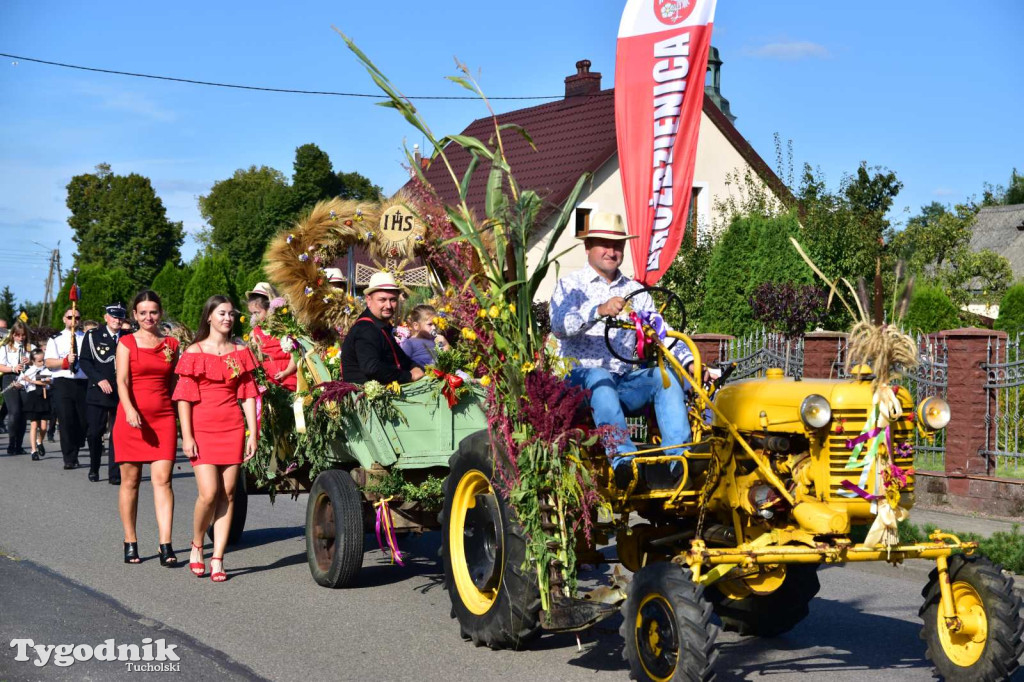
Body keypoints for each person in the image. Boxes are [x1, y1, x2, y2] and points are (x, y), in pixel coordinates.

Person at [550, 213, 697, 487]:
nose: (611, 251)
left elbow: (661, 331)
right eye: (604, 244)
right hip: (578, 384)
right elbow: (559, 325)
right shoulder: (570, 286)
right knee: (598, 376)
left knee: (662, 378)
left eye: (617, 245)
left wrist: (689, 363)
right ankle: (624, 463)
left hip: (622, 382)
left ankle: (679, 464)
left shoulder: (635, 291)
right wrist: (598, 310)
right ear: (588, 247)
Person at [174, 295, 259, 582]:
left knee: (229, 493)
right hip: (202, 429)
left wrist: (253, 433)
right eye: (221, 313)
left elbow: (248, 395)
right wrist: (187, 436)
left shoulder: (240, 351)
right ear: (209, 316)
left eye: (231, 314)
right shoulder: (193, 351)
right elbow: (183, 399)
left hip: (232, 428)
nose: (227, 318)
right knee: (209, 493)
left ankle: (218, 557)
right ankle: (197, 544)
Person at [112, 291, 180, 565]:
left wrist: (182, 416)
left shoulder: (172, 345)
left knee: (163, 480)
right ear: (135, 315)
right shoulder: (126, 342)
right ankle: (130, 540)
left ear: (160, 313)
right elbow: (122, 381)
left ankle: (166, 544)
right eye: (143, 313)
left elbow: (175, 383)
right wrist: (129, 409)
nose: (148, 317)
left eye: (153, 312)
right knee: (130, 482)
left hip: (163, 418)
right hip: (131, 420)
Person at [341, 272, 425, 384]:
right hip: (365, 397)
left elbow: (402, 359)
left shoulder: (381, 326)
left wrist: (416, 367)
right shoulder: (365, 329)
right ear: (369, 300)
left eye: (393, 300)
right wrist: (409, 376)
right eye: (382, 300)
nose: (389, 306)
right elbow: (372, 368)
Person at [80, 303, 127, 484]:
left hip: (120, 392)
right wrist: (99, 379)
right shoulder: (93, 336)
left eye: (120, 317)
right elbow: (85, 361)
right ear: (106, 317)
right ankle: (94, 466)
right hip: (98, 391)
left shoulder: (128, 337)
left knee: (117, 434)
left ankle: (115, 474)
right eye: (113, 316)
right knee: (95, 432)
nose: (117, 320)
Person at [45, 308, 87, 469]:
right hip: (63, 382)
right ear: (64, 319)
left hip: (83, 383)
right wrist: (64, 361)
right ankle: (69, 457)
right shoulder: (56, 339)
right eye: (70, 317)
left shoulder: (86, 338)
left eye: (77, 317)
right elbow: (49, 362)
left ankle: (76, 445)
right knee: (66, 420)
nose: (73, 320)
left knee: (83, 421)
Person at [244, 282, 298, 391]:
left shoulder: (285, 329)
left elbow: (295, 356)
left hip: (290, 377)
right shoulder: (255, 334)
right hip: (269, 382)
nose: (254, 316)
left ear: (270, 309)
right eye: (252, 313)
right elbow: (255, 360)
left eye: (257, 313)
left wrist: (286, 372)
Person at [0, 321, 34, 454]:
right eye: (18, 335)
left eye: (23, 336)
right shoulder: (5, 348)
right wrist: (13, 368)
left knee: (24, 414)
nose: (20, 338)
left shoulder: (30, 347)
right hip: (10, 378)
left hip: (26, 380)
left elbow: (40, 362)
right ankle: (11, 443)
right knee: (14, 412)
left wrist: (30, 361)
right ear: (13, 335)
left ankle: (19, 446)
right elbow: (1, 365)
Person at [18, 349, 51, 460]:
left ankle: (39, 441)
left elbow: (46, 381)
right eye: (39, 361)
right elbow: (21, 383)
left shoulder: (46, 370)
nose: (42, 363)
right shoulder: (28, 371)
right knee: (34, 425)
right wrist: (17, 384)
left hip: (44, 397)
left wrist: (30, 381)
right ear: (33, 361)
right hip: (33, 398)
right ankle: (33, 450)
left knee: (44, 427)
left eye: (43, 360)